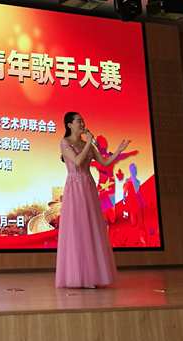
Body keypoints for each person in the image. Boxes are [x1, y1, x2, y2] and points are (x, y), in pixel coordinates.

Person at [55, 111, 131, 289]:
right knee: (78, 227)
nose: (82, 123)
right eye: (79, 121)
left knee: (91, 227)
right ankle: (78, 276)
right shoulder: (65, 142)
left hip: (88, 186)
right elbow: (77, 162)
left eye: (83, 121)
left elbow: (104, 163)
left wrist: (118, 151)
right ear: (69, 125)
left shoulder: (86, 143)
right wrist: (89, 142)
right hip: (75, 187)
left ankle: (92, 275)